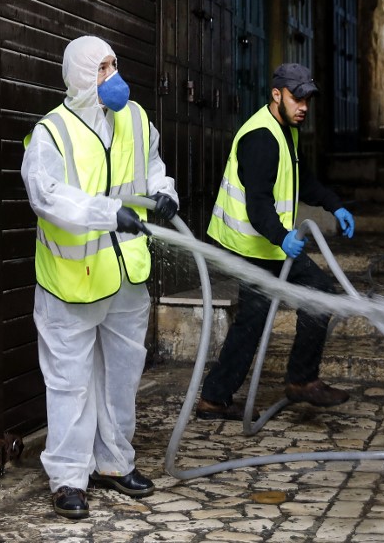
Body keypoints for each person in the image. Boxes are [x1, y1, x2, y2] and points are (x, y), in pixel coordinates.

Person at [20, 35, 180, 519]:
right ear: (80, 76)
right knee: (69, 383)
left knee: (121, 378)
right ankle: (69, 479)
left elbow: (150, 165)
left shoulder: (134, 117)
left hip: (126, 277)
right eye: (103, 67)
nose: (114, 75)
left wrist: (163, 190)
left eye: (115, 63)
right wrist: (108, 213)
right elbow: (46, 196)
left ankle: (113, 463)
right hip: (70, 281)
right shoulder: (53, 132)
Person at [197, 62, 357, 420]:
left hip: (268, 243)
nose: (303, 106)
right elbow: (257, 204)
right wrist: (282, 236)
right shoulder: (261, 137)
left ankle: (296, 382)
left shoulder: (287, 130)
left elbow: (303, 179)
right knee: (257, 316)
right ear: (276, 95)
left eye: (307, 99)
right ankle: (217, 398)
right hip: (251, 245)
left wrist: (336, 205)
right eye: (296, 98)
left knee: (316, 293)